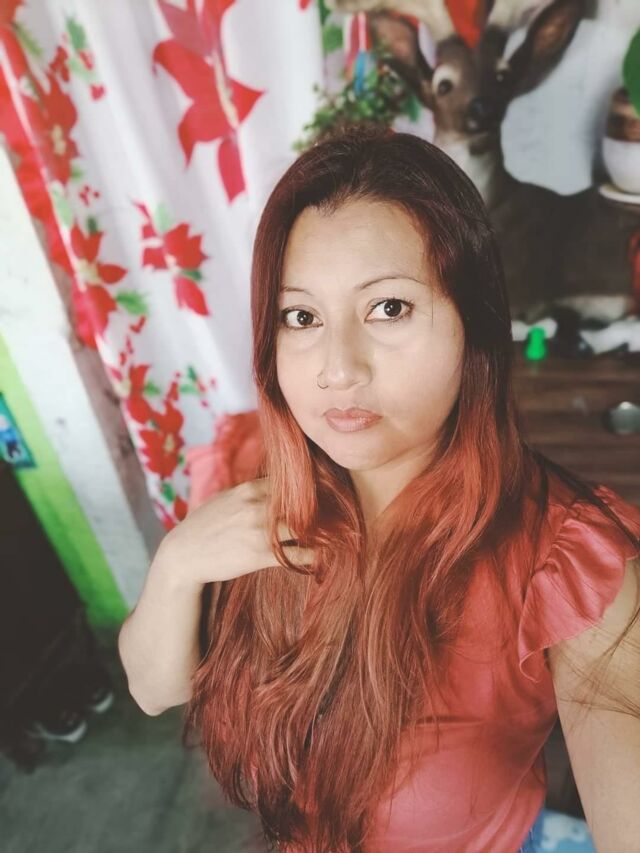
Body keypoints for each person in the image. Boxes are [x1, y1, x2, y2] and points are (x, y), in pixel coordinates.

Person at [118, 124, 640, 853]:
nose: (338, 368)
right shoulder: (253, 475)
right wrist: (176, 565)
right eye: (301, 317)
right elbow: (153, 690)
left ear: (474, 323)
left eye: (389, 307)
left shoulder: (568, 563)